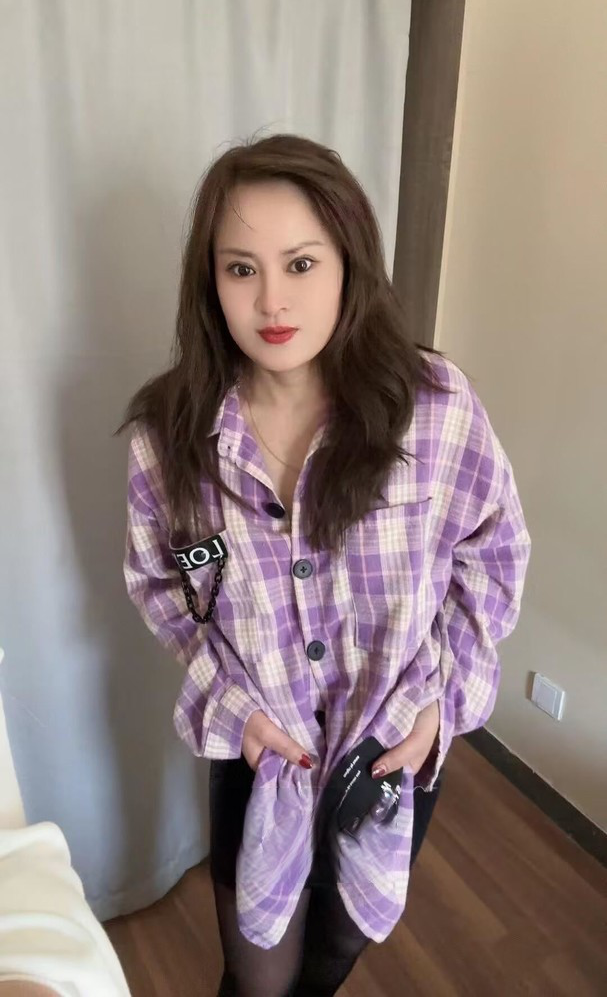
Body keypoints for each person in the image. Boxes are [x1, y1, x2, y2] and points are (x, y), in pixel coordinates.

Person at [120, 133, 531, 997]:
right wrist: (232, 706)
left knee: (332, 954)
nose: (272, 299)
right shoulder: (170, 437)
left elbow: (492, 557)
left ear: (349, 263)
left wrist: (441, 700)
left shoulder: (433, 408)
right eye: (241, 269)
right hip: (257, 753)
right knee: (254, 975)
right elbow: (165, 588)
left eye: (301, 263)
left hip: (389, 750)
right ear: (210, 281)